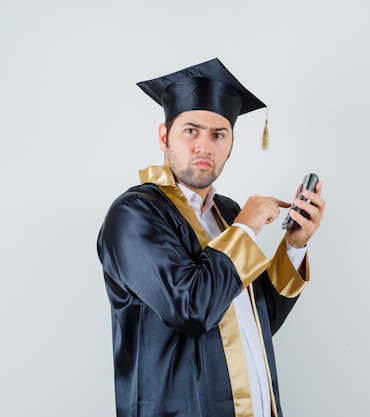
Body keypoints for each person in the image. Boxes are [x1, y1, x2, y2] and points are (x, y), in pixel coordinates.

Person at [96, 58, 325, 417]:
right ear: (163, 136)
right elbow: (191, 309)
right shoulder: (135, 215)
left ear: (231, 143)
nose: (204, 147)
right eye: (191, 131)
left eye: (218, 134)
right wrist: (246, 229)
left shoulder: (228, 213)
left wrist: (295, 245)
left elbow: (257, 321)